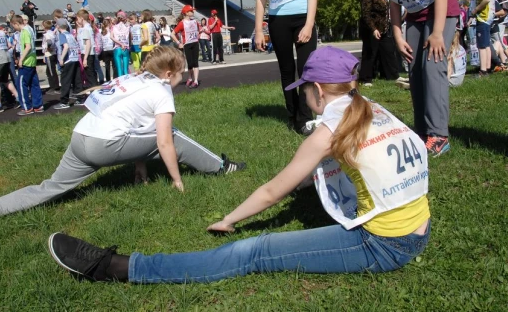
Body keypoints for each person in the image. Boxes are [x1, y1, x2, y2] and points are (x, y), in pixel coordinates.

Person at [45, 46, 430, 284]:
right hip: (417, 229)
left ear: (315, 90)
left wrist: (230, 219)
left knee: (255, 252)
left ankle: (117, 267)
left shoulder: (326, 132)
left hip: (384, 245)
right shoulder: (374, 109)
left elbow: (270, 192)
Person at [0, 46, 246, 226]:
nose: (182, 77)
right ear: (169, 72)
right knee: (173, 133)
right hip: (105, 144)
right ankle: (222, 167)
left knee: (49, 187)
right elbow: (163, 142)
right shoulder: (162, 90)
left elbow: (133, 123)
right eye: (181, 72)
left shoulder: (131, 77)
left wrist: (141, 163)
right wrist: (177, 180)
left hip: (81, 135)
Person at [370, 0, 460, 157]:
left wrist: (437, 33)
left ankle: (439, 134)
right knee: (415, 72)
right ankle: (422, 132)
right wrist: (398, 35)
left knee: (432, 69)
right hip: (415, 16)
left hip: (441, 12)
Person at [254, 0, 318, 136]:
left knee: (307, 70)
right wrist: (259, 30)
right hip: (278, 19)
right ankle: (292, 115)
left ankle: (305, 117)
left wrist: (309, 24)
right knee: (286, 70)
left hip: (302, 16)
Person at [359, 0, 400, 87]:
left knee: (388, 50)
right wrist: (373, 28)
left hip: (384, 27)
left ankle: (392, 75)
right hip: (372, 28)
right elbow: (366, 13)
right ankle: (366, 78)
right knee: (370, 52)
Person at [11, 15, 44, 115]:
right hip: (32, 60)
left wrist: (21, 59)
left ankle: (27, 107)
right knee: (34, 84)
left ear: (16, 24)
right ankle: (38, 105)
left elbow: (28, 47)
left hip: (26, 61)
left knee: (21, 84)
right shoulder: (29, 29)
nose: (14, 28)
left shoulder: (24, 32)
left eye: (14, 26)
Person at [468, 0, 494, 77]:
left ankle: (483, 70)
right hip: (486, 19)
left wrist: (476, 10)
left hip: (483, 18)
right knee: (486, 44)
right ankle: (487, 68)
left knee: (481, 46)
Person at [53, 19, 83, 110]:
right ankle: (80, 98)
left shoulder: (62, 35)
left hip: (68, 60)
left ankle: (64, 101)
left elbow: (65, 47)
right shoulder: (70, 35)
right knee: (77, 80)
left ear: (58, 26)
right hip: (75, 59)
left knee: (65, 80)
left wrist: (61, 58)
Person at [172, 5, 201, 88]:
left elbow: (198, 30)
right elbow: (173, 34)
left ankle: (195, 81)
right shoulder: (182, 23)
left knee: (195, 62)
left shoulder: (195, 22)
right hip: (187, 44)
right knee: (190, 63)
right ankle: (190, 78)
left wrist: (198, 35)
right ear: (186, 13)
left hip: (195, 43)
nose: (193, 12)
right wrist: (179, 43)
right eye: (191, 11)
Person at [77, 10, 98, 87]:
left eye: (78, 18)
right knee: (91, 74)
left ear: (81, 18)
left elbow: (88, 43)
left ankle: (94, 91)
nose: (77, 20)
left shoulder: (86, 29)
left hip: (87, 54)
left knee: (90, 75)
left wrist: (85, 58)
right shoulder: (88, 27)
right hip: (89, 53)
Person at [41, 20, 61, 94]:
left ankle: (54, 87)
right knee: (49, 70)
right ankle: (53, 86)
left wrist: (48, 48)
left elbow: (49, 42)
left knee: (51, 71)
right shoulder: (52, 33)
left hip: (49, 54)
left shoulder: (47, 35)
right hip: (51, 54)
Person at [111, 12, 131, 77]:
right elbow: (131, 37)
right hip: (125, 48)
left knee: (119, 69)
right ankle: (126, 82)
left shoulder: (113, 27)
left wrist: (120, 43)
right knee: (125, 69)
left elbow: (111, 37)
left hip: (117, 48)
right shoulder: (128, 26)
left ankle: (120, 83)